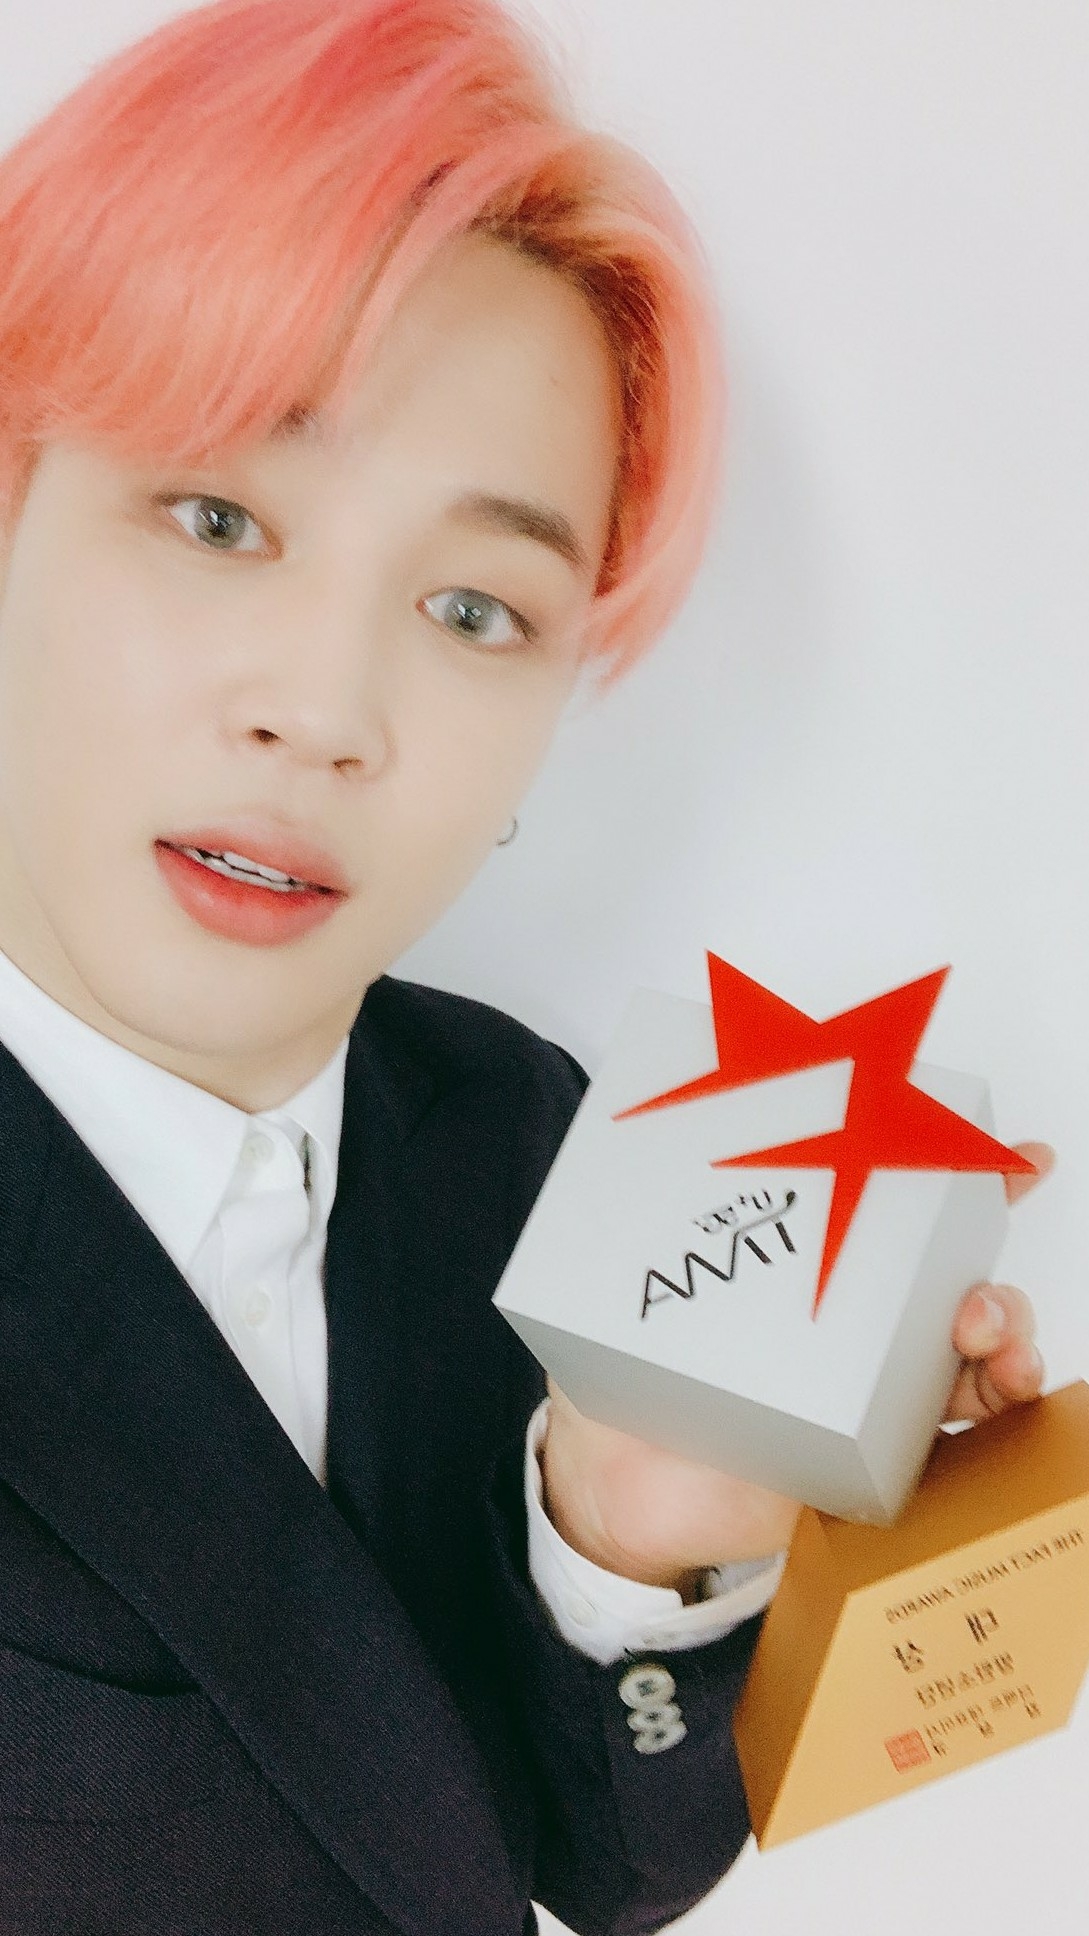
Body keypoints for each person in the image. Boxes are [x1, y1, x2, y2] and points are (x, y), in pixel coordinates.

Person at [0, 1, 1052, 1930]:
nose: (327, 713)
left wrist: (642, 1535)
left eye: (476, 608)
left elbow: (596, 1861)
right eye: (218, 517)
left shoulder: (520, 1134)